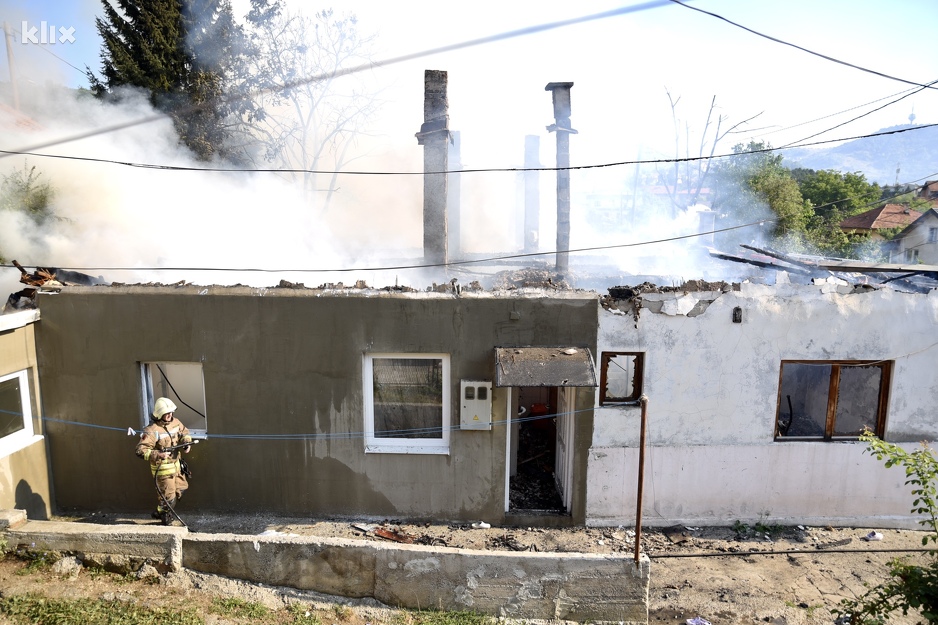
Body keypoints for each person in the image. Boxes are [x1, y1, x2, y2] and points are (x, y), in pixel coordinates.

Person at [135, 397, 192, 525]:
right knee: (169, 499)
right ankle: (166, 520)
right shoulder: (151, 430)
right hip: (163, 471)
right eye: (167, 413)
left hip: (177, 467)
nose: (170, 415)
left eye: (171, 412)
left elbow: (184, 432)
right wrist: (158, 454)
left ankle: (160, 510)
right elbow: (140, 451)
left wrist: (186, 442)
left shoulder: (176, 422)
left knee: (182, 489)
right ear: (160, 414)